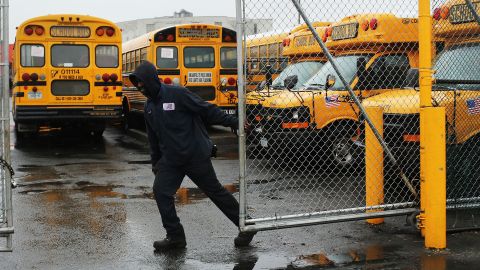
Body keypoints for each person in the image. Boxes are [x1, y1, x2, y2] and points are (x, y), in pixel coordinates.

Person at [129, 61, 256, 251]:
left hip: (195, 155)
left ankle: (246, 226)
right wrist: (156, 164)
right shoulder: (148, 107)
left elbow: (206, 110)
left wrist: (233, 122)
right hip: (171, 161)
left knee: (215, 192)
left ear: (151, 80)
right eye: (137, 85)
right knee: (161, 192)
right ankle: (175, 237)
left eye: (142, 84)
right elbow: (153, 138)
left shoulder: (177, 94)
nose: (141, 88)